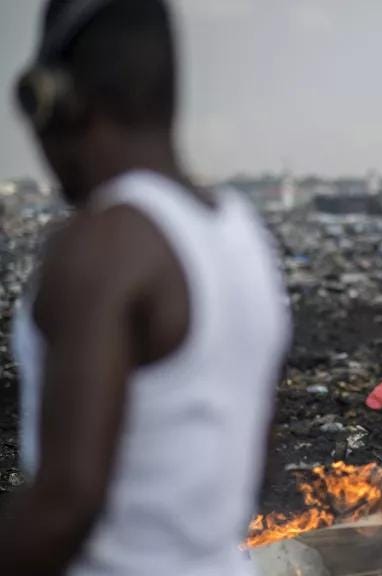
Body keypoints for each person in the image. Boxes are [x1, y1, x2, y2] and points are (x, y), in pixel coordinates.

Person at [0, 1, 290, 575]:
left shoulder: (103, 246)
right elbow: (252, 456)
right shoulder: (239, 232)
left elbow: (67, 506)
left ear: (55, 98)